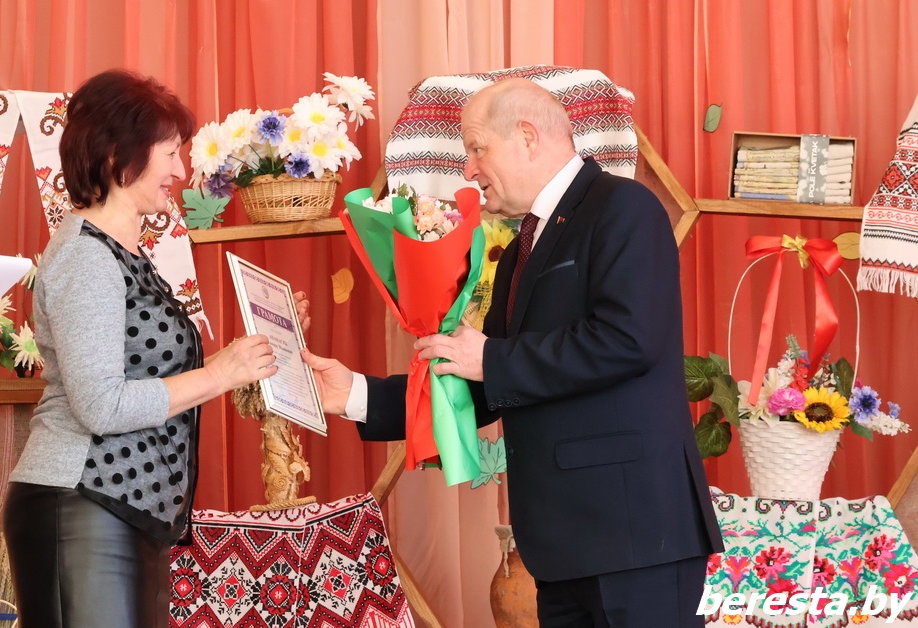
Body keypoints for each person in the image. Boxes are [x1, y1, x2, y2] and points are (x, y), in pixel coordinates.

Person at [303, 77, 723, 627]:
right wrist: (356, 395)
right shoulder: (523, 245)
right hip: (561, 546)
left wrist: (490, 360)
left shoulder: (624, 207)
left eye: (477, 149)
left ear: (527, 136)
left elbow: (628, 340)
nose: (468, 170)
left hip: (634, 536)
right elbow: (490, 385)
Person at [0, 69, 302, 628]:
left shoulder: (126, 254)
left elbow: (156, 374)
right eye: (170, 153)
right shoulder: (88, 258)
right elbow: (101, 406)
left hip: (123, 507)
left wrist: (256, 350)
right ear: (120, 156)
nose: (181, 171)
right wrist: (221, 373)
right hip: (81, 502)